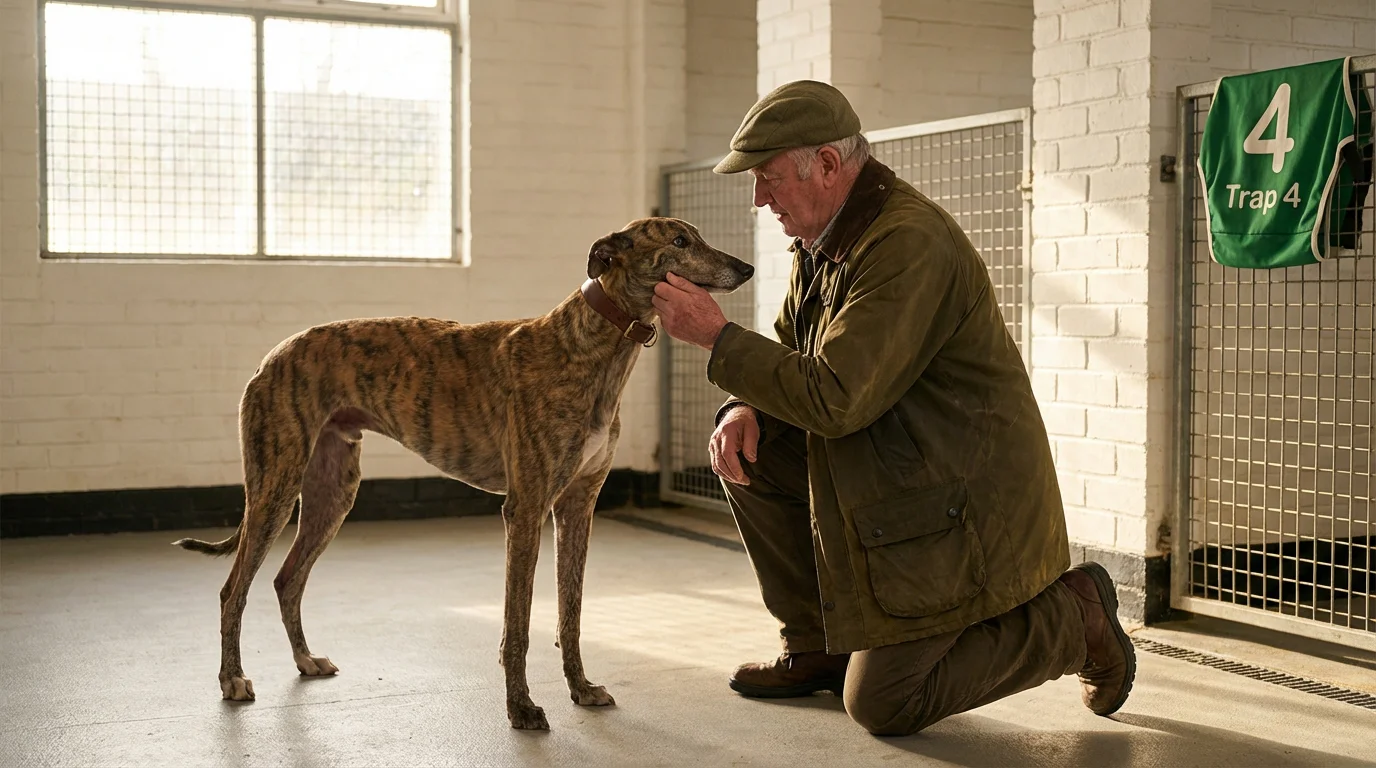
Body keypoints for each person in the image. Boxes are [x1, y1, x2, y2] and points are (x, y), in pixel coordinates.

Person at [651, 80, 1136, 736]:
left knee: (886, 704)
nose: (759, 199)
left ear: (825, 165)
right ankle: (819, 644)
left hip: (963, 499)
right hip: (898, 466)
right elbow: (796, 349)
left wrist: (715, 336)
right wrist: (744, 406)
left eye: (767, 179)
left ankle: (1073, 620)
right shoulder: (826, 241)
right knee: (750, 447)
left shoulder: (906, 244)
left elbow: (836, 396)